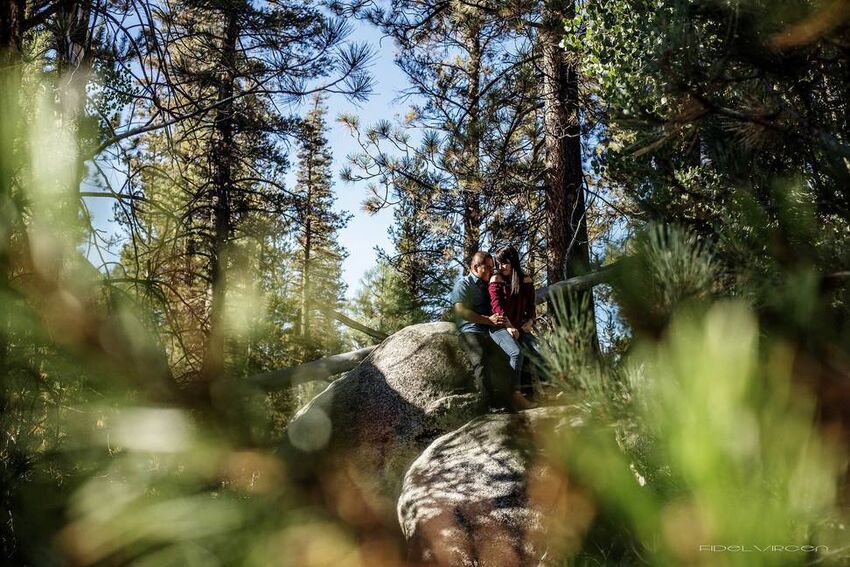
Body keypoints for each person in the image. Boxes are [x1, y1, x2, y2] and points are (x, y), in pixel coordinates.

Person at [450, 251, 515, 410]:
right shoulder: (463, 284)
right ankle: (488, 404)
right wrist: (487, 320)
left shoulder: (490, 284)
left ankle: (508, 401)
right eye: (487, 267)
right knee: (481, 358)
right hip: (470, 331)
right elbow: (460, 310)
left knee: (507, 356)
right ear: (476, 267)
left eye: (492, 267)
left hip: (490, 331)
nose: (491, 271)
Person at [488, 245, 538, 401]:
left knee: (539, 350)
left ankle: (536, 394)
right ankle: (514, 395)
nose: (501, 267)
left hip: (520, 326)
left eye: (505, 263)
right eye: (499, 263)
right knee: (517, 352)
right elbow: (497, 307)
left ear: (513, 262)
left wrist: (530, 321)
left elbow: (531, 306)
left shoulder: (526, 280)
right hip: (500, 326)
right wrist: (508, 326)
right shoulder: (496, 279)